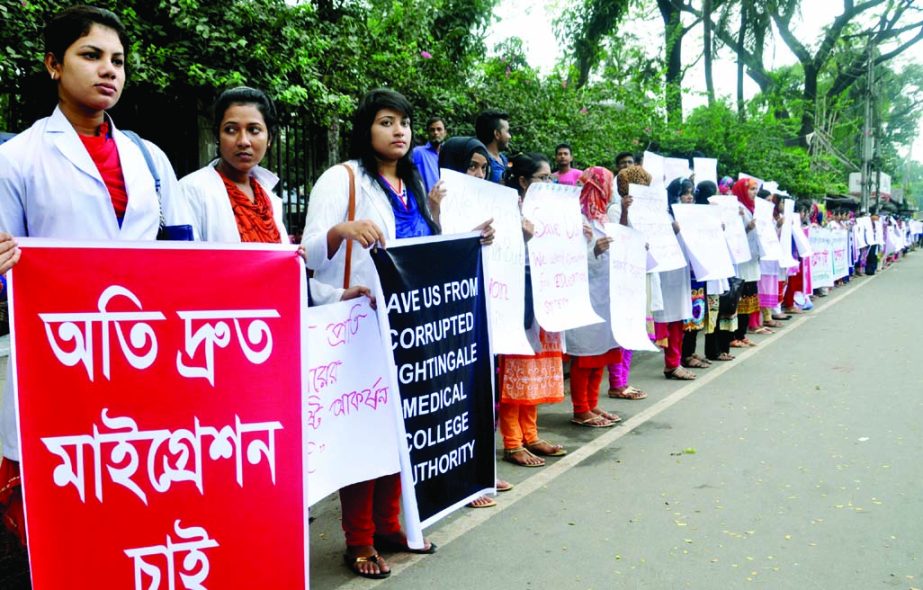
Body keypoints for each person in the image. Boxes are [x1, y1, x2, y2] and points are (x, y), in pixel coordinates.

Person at [0, 5, 195, 548]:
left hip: (140, 354)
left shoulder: (150, 158)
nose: (109, 70)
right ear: (53, 66)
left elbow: (184, 260)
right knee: (62, 505)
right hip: (56, 358)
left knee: (136, 486)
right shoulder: (17, 159)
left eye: (118, 60)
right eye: (91, 56)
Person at [301, 88, 439, 579]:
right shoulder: (341, 179)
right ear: (367, 129)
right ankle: (358, 540)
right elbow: (309, 255)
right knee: (359, 431)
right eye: (386, 121)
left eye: (404, 122)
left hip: (405, 326)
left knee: (397, 431)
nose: (398, 131)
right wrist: (342, 232)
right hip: (354, 324)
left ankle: (391, 525)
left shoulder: (415, 184)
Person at [178, 86, 368, 305]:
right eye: (231, 130)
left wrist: (338, 296)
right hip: (220, 327)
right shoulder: (193, 190)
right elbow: (188, 275)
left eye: (254, 130)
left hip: (270, 324)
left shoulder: (268, 198)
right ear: (217, 136)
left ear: (269, 138)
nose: (243, 141)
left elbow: (280, 273)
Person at [437, 135, 514, 506]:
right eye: (471, 166)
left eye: (483, 167)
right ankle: (462, 479)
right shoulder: (434, 198)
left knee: (486, 390)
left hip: (489, 305)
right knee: (458, 395)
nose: (479, 173)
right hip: (451, 314)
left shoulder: (494, 201)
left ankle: (484, 472)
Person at [497, 153, 571, 456]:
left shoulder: (554, 210)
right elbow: (498, 251)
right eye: (543, 178)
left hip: (546, 296)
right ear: (524, 181)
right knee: (518, 364)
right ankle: (513, 442)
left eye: (551, 177)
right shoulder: (506, 208)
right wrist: (519, 235)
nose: (549, 183)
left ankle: (531, 434)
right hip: (518, 296)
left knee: (536, 366)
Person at [566, 166, 623, 427]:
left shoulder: (602, 218)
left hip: (604, 295)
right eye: (607, 183)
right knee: (586, 355)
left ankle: (593, 404)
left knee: (601, 352)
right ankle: (580, 409)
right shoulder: (576, 218)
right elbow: (568, 259)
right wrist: (595, 252)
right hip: (585, 295)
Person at [606, 165, 653, 400]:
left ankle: (624, 380)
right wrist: (625, 212)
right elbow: (619, 237)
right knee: (621, 332)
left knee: (632, 328)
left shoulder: (646, 212)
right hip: (621, 278)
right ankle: (617, 382)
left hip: (636, 274)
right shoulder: (615, 209)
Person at [656, 178, 695, 380]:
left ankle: (674, 362)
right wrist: (672, 230)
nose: (689, 196)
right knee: (669, 319)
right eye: (684, 192)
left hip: (682, 274)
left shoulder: (690, 215)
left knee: (678, 319)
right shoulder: (664, 216)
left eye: (691, 193)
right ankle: (671, 363)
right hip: (667, 275)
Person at [729, 178, 761, 348]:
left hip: (753, 258)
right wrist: (748, 228)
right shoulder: (736, 208)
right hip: (741, 260)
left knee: (749, 297)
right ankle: (733, 335)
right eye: (751, 189)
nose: (754, 192)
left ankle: (742, 334)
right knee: (738, 298)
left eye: (756, 189)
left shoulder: (753, 208)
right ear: (742, 190)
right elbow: (733, 233)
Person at [411, 116, 445, 195]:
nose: (436, 132)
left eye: (439, 129)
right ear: (428, 133)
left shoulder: (450, 153)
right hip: (425, 203)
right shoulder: (418, 153)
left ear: (445, 132)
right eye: (432, 130)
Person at [475, 109, 510, 183]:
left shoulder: (504, 159)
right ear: (497, 134)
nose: (509, 136)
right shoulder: (482, 162)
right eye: (507, 131)